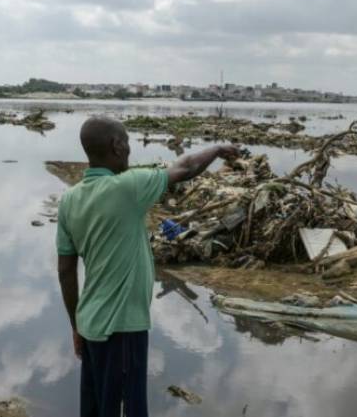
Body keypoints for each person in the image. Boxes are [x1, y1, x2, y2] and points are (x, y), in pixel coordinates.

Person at [56, 116, 239, 417]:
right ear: (116, 146)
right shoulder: (129, 187)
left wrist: (76, 326)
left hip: (89, 324)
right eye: (126, 142)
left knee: (96, 408)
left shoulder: (68, 201)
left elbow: (65, 271)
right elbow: (186, 167)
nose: (129, 150)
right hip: (122, 328)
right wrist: (218, 149)